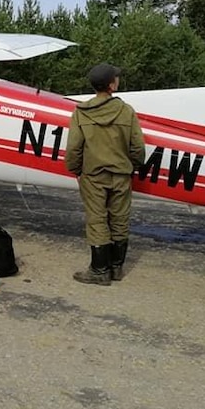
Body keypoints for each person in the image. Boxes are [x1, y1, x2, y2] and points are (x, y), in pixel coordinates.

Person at [65, 63, 145, 285]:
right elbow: (137, 147)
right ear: (112, 85)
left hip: (93, 176)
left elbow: (74, 148)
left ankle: (100, 271)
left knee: (97, 220)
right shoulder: (126, 111)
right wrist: (133, 166)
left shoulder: (81, 113)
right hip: (121, 175)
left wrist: (75, 169)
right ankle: (116, 268)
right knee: (119, 219)